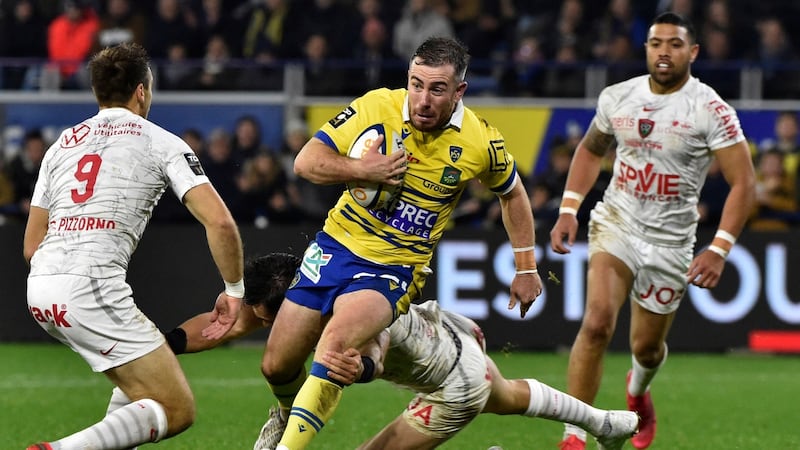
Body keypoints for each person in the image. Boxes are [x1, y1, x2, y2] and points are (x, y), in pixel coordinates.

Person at [260, 36, 542, 450]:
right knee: (276, 365)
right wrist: (361, 168)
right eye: (416, 84)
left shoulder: (480, 142)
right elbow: (306, 162)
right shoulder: (376, 106)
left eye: (437, 89)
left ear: (459, 91)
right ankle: (284, 417)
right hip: (335, 247)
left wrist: (527, 266)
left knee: (334, 350)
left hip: (393, 269)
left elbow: (513, 194)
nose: (422, 99)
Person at [165, 252, 638, 450]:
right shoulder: (306, 286)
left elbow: (376, 342)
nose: (269, 328)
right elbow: (223, 325)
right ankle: (605, 423)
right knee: (512, 396)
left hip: (452, 385)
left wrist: (363, 368)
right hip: (450, 337)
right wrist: (162, 346)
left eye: (270, 319)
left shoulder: (342, 312)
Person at [549, 12, 756, 450]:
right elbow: (589, 151)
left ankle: (638, 389)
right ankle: (573, 435)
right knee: (597, 322)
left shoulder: (710, 109)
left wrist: (718, 249)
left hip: (672, 240)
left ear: (692, 52)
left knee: (645, 347)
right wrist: (570, 208)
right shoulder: (618, 97)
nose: (664, 51)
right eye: (655, 43)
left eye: (675, 44)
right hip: (617, 222)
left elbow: (745, 183)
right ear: (645, 48)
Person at [23, 42, 245, 450]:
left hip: (40, 289)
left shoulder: (60, 147)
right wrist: (234, 291)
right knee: (177, 409)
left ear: (96, 92)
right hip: (88, 288)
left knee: (139, 387)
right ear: (142, 91)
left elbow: (31, 244)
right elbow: (220, 222)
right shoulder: (161, 142)